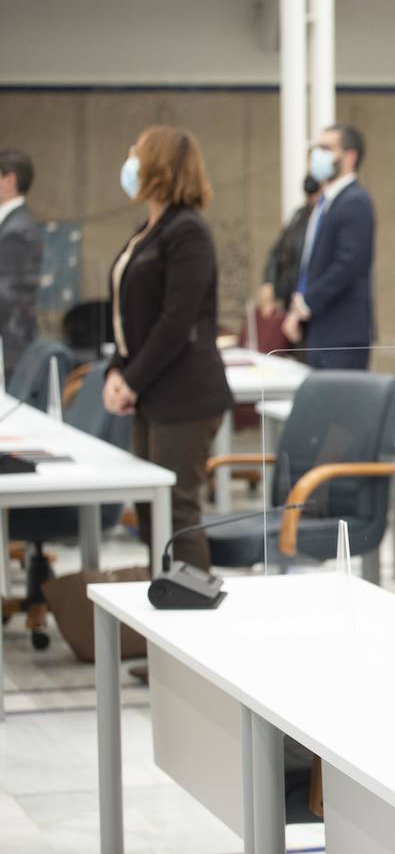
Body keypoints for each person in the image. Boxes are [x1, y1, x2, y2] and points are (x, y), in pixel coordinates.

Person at [103, 126, 232, 570]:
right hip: (149, 389)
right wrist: (116, 372)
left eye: (136, 152)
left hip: (184, 393)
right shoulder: (149, 229)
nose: (129, 160)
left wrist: (131, 380)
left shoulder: (188, 231)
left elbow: (177, 321)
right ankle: (163, 614)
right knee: (148, 511)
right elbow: (129, 315)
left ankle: (195, 623)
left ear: (159, 165)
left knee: (176, 511)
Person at [283, 124, 375, 370]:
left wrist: (308, 302)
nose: (317, 155)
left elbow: (348, 264)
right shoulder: (325, 203)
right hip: (319, 330)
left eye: (325, 148)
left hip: (342, 333)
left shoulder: (355, 202)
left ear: (349, 156)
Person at [0, 149, 42, 377]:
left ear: (10, 180)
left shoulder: (17, 230)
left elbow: (7, 294)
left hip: (10, 349)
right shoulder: (11, 224)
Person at [258, 175, 320, 317]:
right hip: (291, 302)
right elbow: (276, 252)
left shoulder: (327, 216)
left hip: (310, 304)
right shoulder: (298, 215)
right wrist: (269, 282)